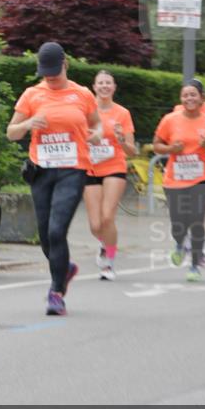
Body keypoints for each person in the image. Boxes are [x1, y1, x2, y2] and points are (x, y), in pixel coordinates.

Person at [7, 42, 102, 316]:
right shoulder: (32, 94)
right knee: (45, 235)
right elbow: (11, 132)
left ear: (65, 65)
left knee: (57, 230)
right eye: (45, 72)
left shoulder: (82, 94)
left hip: (73, 169)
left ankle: (56, 292)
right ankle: (64, 268)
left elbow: (96, 124)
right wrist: (27, 124)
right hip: (42, 171)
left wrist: (96, 135)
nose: (49, 77)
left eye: (54, 71)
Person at [153, 82, 205, 282]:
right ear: (181, 98)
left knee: (196, 219)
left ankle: (194, 265)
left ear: (202, 98)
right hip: (175, 179)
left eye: (193, 95)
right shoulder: (170, 120)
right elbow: (157, 145)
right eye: (185, 95)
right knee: (178, 223)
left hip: (202, 178)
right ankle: (179, 243)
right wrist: (170, 150)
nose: (189, 98)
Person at [83, 70, 136, 280]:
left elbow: (132, 151)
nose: (104, 86)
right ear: (94, 87)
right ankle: (104, 243)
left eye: (108, 83)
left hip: (114, 167)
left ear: (114, 87)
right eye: (101, 83)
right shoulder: (86, 112)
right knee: (95, 225)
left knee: (107, 217)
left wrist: (121, 140)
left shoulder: (122, 113)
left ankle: (109, 264)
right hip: (90, 168)